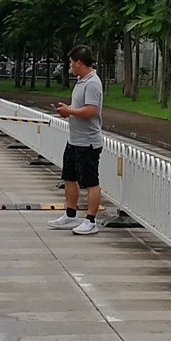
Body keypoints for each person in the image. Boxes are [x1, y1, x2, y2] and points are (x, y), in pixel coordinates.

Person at [48, 45, 104, 235]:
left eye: (72, 63)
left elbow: (90, 110)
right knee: (69, 178)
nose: (70, 67)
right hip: (74, 140)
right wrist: (69, 109)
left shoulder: (93, 83)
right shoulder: (81, 81)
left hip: (88, 142)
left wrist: (69, 111)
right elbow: (80, 106)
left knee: (90, 182)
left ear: (79, 63)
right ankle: (71, 215)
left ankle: (91, 221)